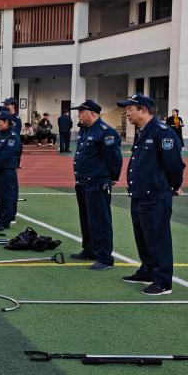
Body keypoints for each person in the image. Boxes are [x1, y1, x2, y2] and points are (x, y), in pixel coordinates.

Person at [117, 94, 185, 295]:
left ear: (143, 110)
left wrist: (174, 186)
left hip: (155, 195)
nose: (127, 113)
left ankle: (163, 282)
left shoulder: (162, 132)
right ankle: (147, 271)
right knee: (143, 237)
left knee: (158, 239)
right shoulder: (144, 131)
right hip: (140, 194)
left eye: (130, 109)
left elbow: (174, 165)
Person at [68, 100, 123, 271]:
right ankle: (90, 249)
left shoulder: (106, 132)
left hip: (98, 182)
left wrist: (113, 176)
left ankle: (105, 258)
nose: (78, 116)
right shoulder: (85, 130)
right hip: (83, 181)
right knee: (86, 218)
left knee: (100, 220)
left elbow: (114, 158)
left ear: (92, 113)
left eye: (81, 112)